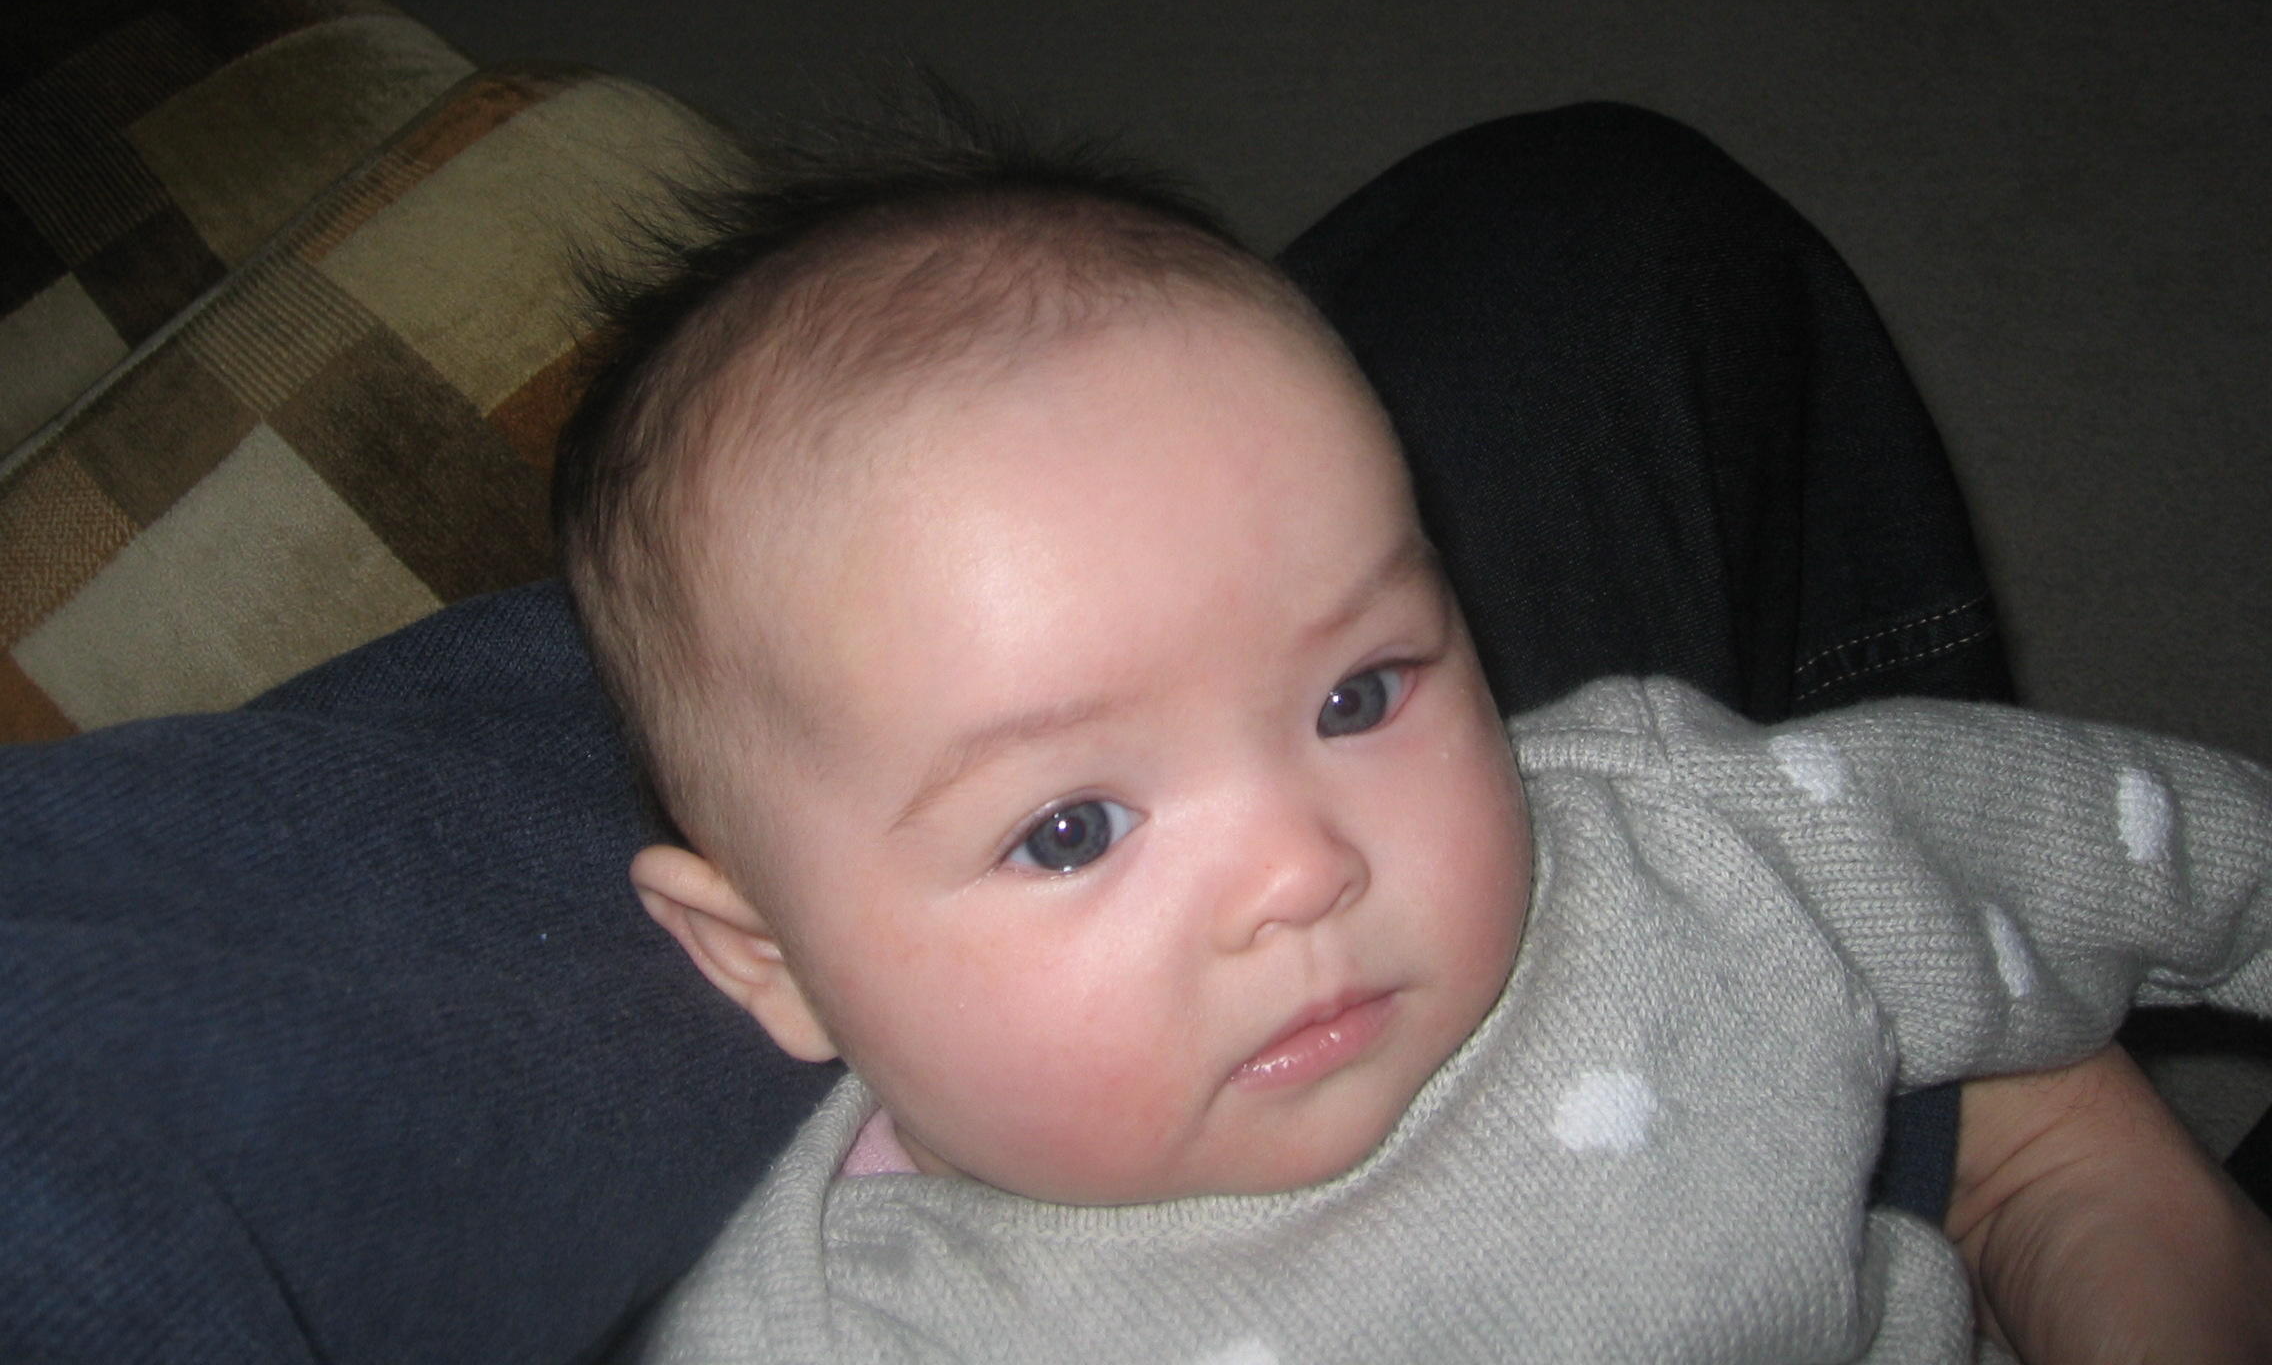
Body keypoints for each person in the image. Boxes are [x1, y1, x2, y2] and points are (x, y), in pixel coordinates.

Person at [551, 100, 2272, 1362]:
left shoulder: (1690, 840)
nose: (1301, 870)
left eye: (1358, 695)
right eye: (1070, 828)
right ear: (765, 956)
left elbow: (2135, 841)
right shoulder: (839, 1331)